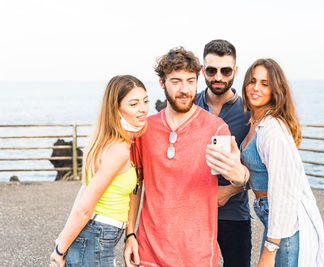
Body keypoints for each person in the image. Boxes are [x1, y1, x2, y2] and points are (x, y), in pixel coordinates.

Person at [123, 47, 249, 267]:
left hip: (197, 255)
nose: (184, 89)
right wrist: (130, 234)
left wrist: (240, 175)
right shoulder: (145, 130)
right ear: (162, 83)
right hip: (149, 252)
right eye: (176, 81)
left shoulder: (216, 128)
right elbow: (135, 184)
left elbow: (237, 177)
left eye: (191, 81)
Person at [240, 58, 324, 266]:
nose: (255, 88)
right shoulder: (256, 122)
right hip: (270, 215)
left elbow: (283, 192)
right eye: (252, 81)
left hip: (285, 223)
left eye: (265, 84)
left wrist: (270, 250)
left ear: (276, 90)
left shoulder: (273, 129)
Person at [49, 75, 149, 267]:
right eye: (133, 104)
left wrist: (130, 234)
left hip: (98, 236)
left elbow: (83, 190)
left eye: (145, 101)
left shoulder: (105, 141)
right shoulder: (118, 150)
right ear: (116, 109)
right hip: (96, 237)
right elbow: (84, 208)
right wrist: (60, 250)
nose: (143, 109)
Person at [195, 39, 252, 267]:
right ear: (203, 71)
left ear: (235, 71)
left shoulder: (249, 112)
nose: (218, 76)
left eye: (225, 70)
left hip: (234, 213)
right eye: (211, 70)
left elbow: (260, 167)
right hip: (194, 212)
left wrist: (228, 191)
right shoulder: (189, 106)